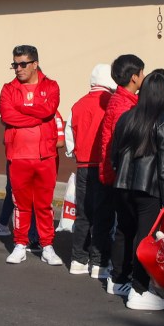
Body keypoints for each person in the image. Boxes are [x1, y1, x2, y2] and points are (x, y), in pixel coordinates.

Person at [109, 69, 164, 311]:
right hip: (149, 189)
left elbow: (113, 153)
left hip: (123, 185)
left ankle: (118, 279)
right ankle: (139, 290)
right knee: (144, 239)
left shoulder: (127, 117)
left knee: (124, 231)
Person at [0, 45, 62, 266]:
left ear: (35, 64)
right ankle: (20, 245)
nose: (18, 68)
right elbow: (8, 115)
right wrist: (37, 114)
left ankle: (47, 246)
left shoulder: (51, 86)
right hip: (18, 156)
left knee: (44, 205)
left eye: (23, 64)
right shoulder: (8, 89)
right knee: (21, 206)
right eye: (15, 64)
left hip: (45, 156)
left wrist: (22, 109)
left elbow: (49, 111)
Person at [97, 54, 146, 290]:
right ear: (134, 77)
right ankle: (118, 277)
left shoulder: (122, 100)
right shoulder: (124, 105)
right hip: (121, 174)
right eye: (142, 73)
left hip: (118, 172)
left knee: (124, 227)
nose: (144, 78)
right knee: (125, 228)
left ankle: (118, 274)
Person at [65, 63, 115, 277]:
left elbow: (69, 135)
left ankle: (78, 259)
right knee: (103, 216)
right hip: (103, 167)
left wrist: (73, 151)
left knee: (83, 214)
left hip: (83, 166)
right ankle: (99, 263)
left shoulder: (78, 104)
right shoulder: (111, 103)